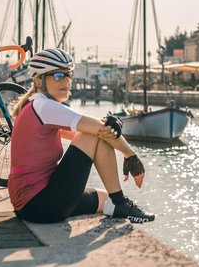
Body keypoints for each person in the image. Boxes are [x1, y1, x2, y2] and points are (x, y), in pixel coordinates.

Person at [9, 48, 155, 224]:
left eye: (68, 74)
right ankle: (120, 203)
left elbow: (85, 131)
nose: (67, 81)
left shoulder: (36, 106)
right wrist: (131, 156)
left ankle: (117, 203)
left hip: (31, 205)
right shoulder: (44, 106)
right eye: (58, 76)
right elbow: (98, 131)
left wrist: (109, 123)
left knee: (105, 198)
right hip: (40, 204)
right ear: (39, 81)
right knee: (94, 134)